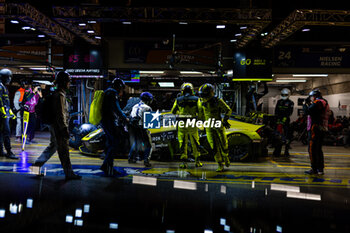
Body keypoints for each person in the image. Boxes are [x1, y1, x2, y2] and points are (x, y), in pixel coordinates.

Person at [33, 71, 81, 180]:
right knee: (63, 150)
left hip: (55, 126)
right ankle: (69, 174)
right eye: (68, 81)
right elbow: (60, 113)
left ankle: (35, 167)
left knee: (53, 147)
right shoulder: (59, 95)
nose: (69, 84)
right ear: (64, 82)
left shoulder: (58, 94)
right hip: (59, 127)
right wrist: (64, 128)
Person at [198, 83, 232, 172]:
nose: (204, 97)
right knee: (213, 147)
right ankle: (220, 164)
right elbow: (201, 115)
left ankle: (226, 157)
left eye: (205, 94)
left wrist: (225, 120)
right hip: (209, 126)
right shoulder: (201, 102)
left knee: (224, 144)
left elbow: (228, 109)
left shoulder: (218, 101)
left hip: (218, 124)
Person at [100, 78, 129, 176]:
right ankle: (107, 166)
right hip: (109, 121)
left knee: (110, 142)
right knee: (115, 142)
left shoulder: (107, 92)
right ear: (119, 87)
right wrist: (125, 118)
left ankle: (107, 165)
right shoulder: (112, 93)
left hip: (105, 121)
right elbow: (117, 108)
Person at [171, 82, 202, 168]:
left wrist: (180, 113)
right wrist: (198, 119)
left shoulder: (178, 100)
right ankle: (197, 162)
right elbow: (200, 110)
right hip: (192, 122)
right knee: (195, 141)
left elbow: (173, 111)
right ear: (192, 90)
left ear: (182, 90)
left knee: (182, 142)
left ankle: (183, 163)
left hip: (182, 123)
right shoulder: (196, 99)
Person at [303, 88, 329, 175]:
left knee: (312, 149)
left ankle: (314, 168)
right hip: (321, 128)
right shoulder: (324, 102)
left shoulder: (318, 102)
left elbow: (308, 111)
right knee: (318, 149)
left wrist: (305, 104)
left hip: (315, 128)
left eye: (312, 97)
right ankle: (320, 169)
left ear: (314, 96)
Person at [128, 92, 153, 167]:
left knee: (136, 142)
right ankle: (146, 160)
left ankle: (131, 158)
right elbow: (149, 122)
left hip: (132, 126)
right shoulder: (147, 108)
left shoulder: (135, 106)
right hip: (140, 126)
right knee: (148, 145)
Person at [0, 69, 18, 159]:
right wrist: (4, 112)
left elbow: (6, 102)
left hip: (5, 113)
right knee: (6, 132)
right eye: (8, 77)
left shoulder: (4, 87)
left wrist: (10, 112)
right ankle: (9, 152)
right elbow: (0, 101)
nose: (9, 79)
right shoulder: (0, 86)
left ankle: (1, 150)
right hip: (2, 114)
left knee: (1, 133)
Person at [273, 88, 294, 157]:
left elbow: (289, 112)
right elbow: (276, 111)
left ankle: (286, 151)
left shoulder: (291, 103)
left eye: (285, 94)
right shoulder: (279, 101)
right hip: (278, 121)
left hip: (286, 122)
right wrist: (277, 120)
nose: (284, 95)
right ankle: (277, 151)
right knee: (277, 136)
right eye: (283, 94)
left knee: (287, 136)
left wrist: (283, 120)